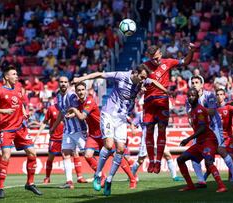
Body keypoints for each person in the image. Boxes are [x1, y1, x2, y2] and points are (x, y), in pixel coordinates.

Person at [73, 64, 168, 196]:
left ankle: (109, 180)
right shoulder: (121, 75)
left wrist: (166, 91)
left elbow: (152, 81)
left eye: (144, 78)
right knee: (109, 144)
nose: (142, 80)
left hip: (122, 119)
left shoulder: (143, 80)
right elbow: (100, 74)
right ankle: (98, 174)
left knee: (121, 149)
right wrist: (81, 79)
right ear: (135, 73)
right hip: (108, 115)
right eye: (141, 77)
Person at [67, 82, 137, 188]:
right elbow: (81, 113)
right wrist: (71, 115)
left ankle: (132, 179)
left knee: (117, 156)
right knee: (87, 155)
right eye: (79, 90)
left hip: (104, 132)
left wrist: (73, 110)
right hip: (93, 135)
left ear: (85, 90)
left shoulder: (89, 100)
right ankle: (102, 176)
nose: (81, 92)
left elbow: (81, 116)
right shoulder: (79, 103)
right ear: (76, 92)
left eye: (82, 89)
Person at [0, 66, 42, 198]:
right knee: (6, 156)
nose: (16, 76)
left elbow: (21, 105)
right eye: (14, 74)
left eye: (17, 74)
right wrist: (4, 111)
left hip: (20, 127)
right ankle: (1, 187)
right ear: (7, 77)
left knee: (32, 153)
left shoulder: (19, 89)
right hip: (6, 128)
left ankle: (30, 183)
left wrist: (25, 114)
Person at [143, 43, 195, 174]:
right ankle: (151, 161)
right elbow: (138, 80)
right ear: (149, 57)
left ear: (160, 53)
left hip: (162, 101)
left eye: (158, 57)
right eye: (153, 59)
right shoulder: (144, 67)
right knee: (149, 130)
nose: (157, 60)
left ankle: (159, 162)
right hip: (149, 102)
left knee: (161, 129)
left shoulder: (168, 62)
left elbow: (186, 61)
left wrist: (191, 51)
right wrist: (141, 86)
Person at [189, 75, 233, 188]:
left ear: (202, 84)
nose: (194, 84)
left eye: (196, 82)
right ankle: (201, 181)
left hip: (214, 128)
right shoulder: (189, 98)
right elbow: (190, 115)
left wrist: (199, 110)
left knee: (222, 152)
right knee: (194, 155)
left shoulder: (209, 96)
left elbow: (212, 111)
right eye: (192, 82)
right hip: (199, 130)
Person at [177, 88, 227, 192]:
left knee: (208, 162)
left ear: (197, 97)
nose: (191, 97)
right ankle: (190, 185)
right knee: (180, 159)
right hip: (200, 142)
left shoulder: (199, 110)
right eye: (189, 95)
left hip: (209, 140)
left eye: (193, 95)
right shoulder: (193, 110)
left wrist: (188, 139)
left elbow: (203, 128)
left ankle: (222, 186)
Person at [49, 76, 88, 190]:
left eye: (65, 82)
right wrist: (53, 127)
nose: (63, 84)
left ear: (68, 84)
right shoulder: (58, 97)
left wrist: (72, 114)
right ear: (58, 83)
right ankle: (69, 181)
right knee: (65, 153)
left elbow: (79, 110)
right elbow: (61, 114)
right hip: (67, 130)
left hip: (78, 130)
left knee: (87, 154)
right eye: (61, 82)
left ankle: (101, 176)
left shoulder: (72, 96)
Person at [202, 88, 233, 180]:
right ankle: (205, 176)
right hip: (215, 137)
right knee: (209, 159)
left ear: (224, 95)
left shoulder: (228, 106)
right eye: (217, 94)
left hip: (227, 137)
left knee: (231, 157)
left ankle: (232, 178)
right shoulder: (212, 108)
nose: (219, 96)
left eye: (221, 94)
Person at [129, 111, 184, 182]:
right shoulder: (140, 114)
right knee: (140, 160)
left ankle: (175, 176)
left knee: (168, 155)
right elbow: (133, 124)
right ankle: (131, 176)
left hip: (157, 137)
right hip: (146, 139)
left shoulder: (156, 112)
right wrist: (133, 129)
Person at [36, 103, 64, 184]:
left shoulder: (68, 107)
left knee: (71, 155)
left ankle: (78, 177)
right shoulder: (51, 108)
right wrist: (38, 133)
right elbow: (45, 122)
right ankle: (47, 177)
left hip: (66, 137)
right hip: (54, 138)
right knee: (50, 158)